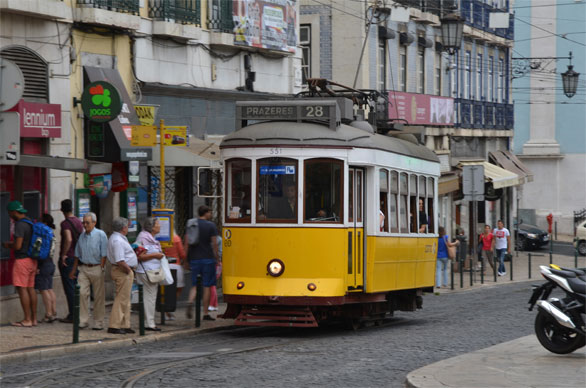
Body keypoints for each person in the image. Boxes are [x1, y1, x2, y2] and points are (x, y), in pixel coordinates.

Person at [69, 212, 108, 330]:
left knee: (98, 296)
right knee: (81, 293)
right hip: (84, 268)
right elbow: (77, 254)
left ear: (94, 223)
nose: (85, 225)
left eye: (87, 223)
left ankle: (98, 322)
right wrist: (73, 270)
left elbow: (104, 254)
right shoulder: (82, 235)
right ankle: (83, 320)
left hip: (96, 267)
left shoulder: (101, 235)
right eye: (83, 223)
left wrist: (101, 267)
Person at [2, 201, 38, 327]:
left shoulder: (19, 225)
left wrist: (8, 245)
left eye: (9, 212)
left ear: (13, 212)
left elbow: (18, 245)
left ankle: (27, 319)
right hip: (32, 260)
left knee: (22, 289)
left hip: (22, 260)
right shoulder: (29, 222)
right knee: (31, 289)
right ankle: (34, 319)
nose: (9, 215)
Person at [185, 205, 219, 321]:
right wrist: (217, 258)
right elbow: (214, 244)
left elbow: (187, 243)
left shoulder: (192, 225)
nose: (211, 214)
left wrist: (186, 259)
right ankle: (205, 313)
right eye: (210, 212)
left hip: (194, 258)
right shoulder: (211, 226)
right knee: (207, 286)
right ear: (206, 213)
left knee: (194, 285)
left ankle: (190, 301)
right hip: (208, 259)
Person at [107, 217, 138, 334]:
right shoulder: (117, 240)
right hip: (122, 271)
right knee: (121, 298)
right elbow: (120, 260)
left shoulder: (118, 238)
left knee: (125, 299)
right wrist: (129, 270)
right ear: (123, 228)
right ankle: (114, 325)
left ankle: (125, 324)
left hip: (123, 270)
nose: (128, 228)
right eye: (127, 226)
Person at [135, 217, 165, 331]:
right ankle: (149, 323)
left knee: (150, 297)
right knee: (149, 298)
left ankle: (148, 322)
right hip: (146, 272)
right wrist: (156, 255)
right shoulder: (143, 238)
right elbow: (140, 256)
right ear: (152, 227)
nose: (160, 226)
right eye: (158, 224)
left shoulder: (151, 238)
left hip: (152, 271)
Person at [58, 199, 83, 323]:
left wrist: (63, 254)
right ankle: (77, 312)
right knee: (75, 285)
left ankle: (73, 315)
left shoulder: (65, 223)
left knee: (69, 287)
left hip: (68, 258)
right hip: (77, 257)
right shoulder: (79, 221)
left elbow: (68, 239)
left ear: (62, 210)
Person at [37, 214, 57, 323]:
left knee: (44, 290)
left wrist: (38, 265)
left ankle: (48, 313)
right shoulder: (51, 232)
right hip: (50, 263)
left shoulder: (43, 232)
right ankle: (53, 312)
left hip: (43, 263)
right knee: (49, 288)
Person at [163, 231, 187, 321]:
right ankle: (170, 308)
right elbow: (182, 254)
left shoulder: (160, 239)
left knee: (164, 289)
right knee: (178, 288)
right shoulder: (176, 238)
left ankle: (165, 310)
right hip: (176, 265)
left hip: (164, 266)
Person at [208, 235, 222, 312]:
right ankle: (215, 304)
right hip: (218, 264)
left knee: (212, 285)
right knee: (213, 284)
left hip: (215, 264)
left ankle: (211, 305)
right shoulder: (220, 239)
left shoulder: (215, 240)